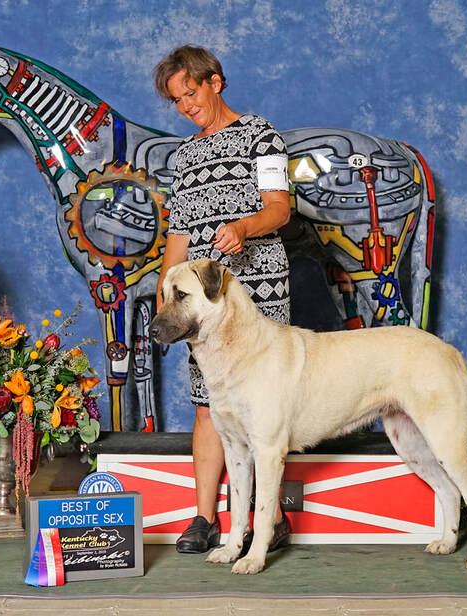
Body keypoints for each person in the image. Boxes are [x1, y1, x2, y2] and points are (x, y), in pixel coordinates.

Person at [153, 45, 292, 554]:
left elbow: (280, 209)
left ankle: (270, 520)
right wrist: (165, 299)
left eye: (191, 92)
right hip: (199, 306)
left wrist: (244, 228)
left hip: (258, 289)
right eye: (177, 99)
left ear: (215, 82)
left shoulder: (261, 135)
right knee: (208, 405)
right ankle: (204, 518)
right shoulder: (183, 157)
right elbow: (178, 238)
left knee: (263, 409)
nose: (186, 105)